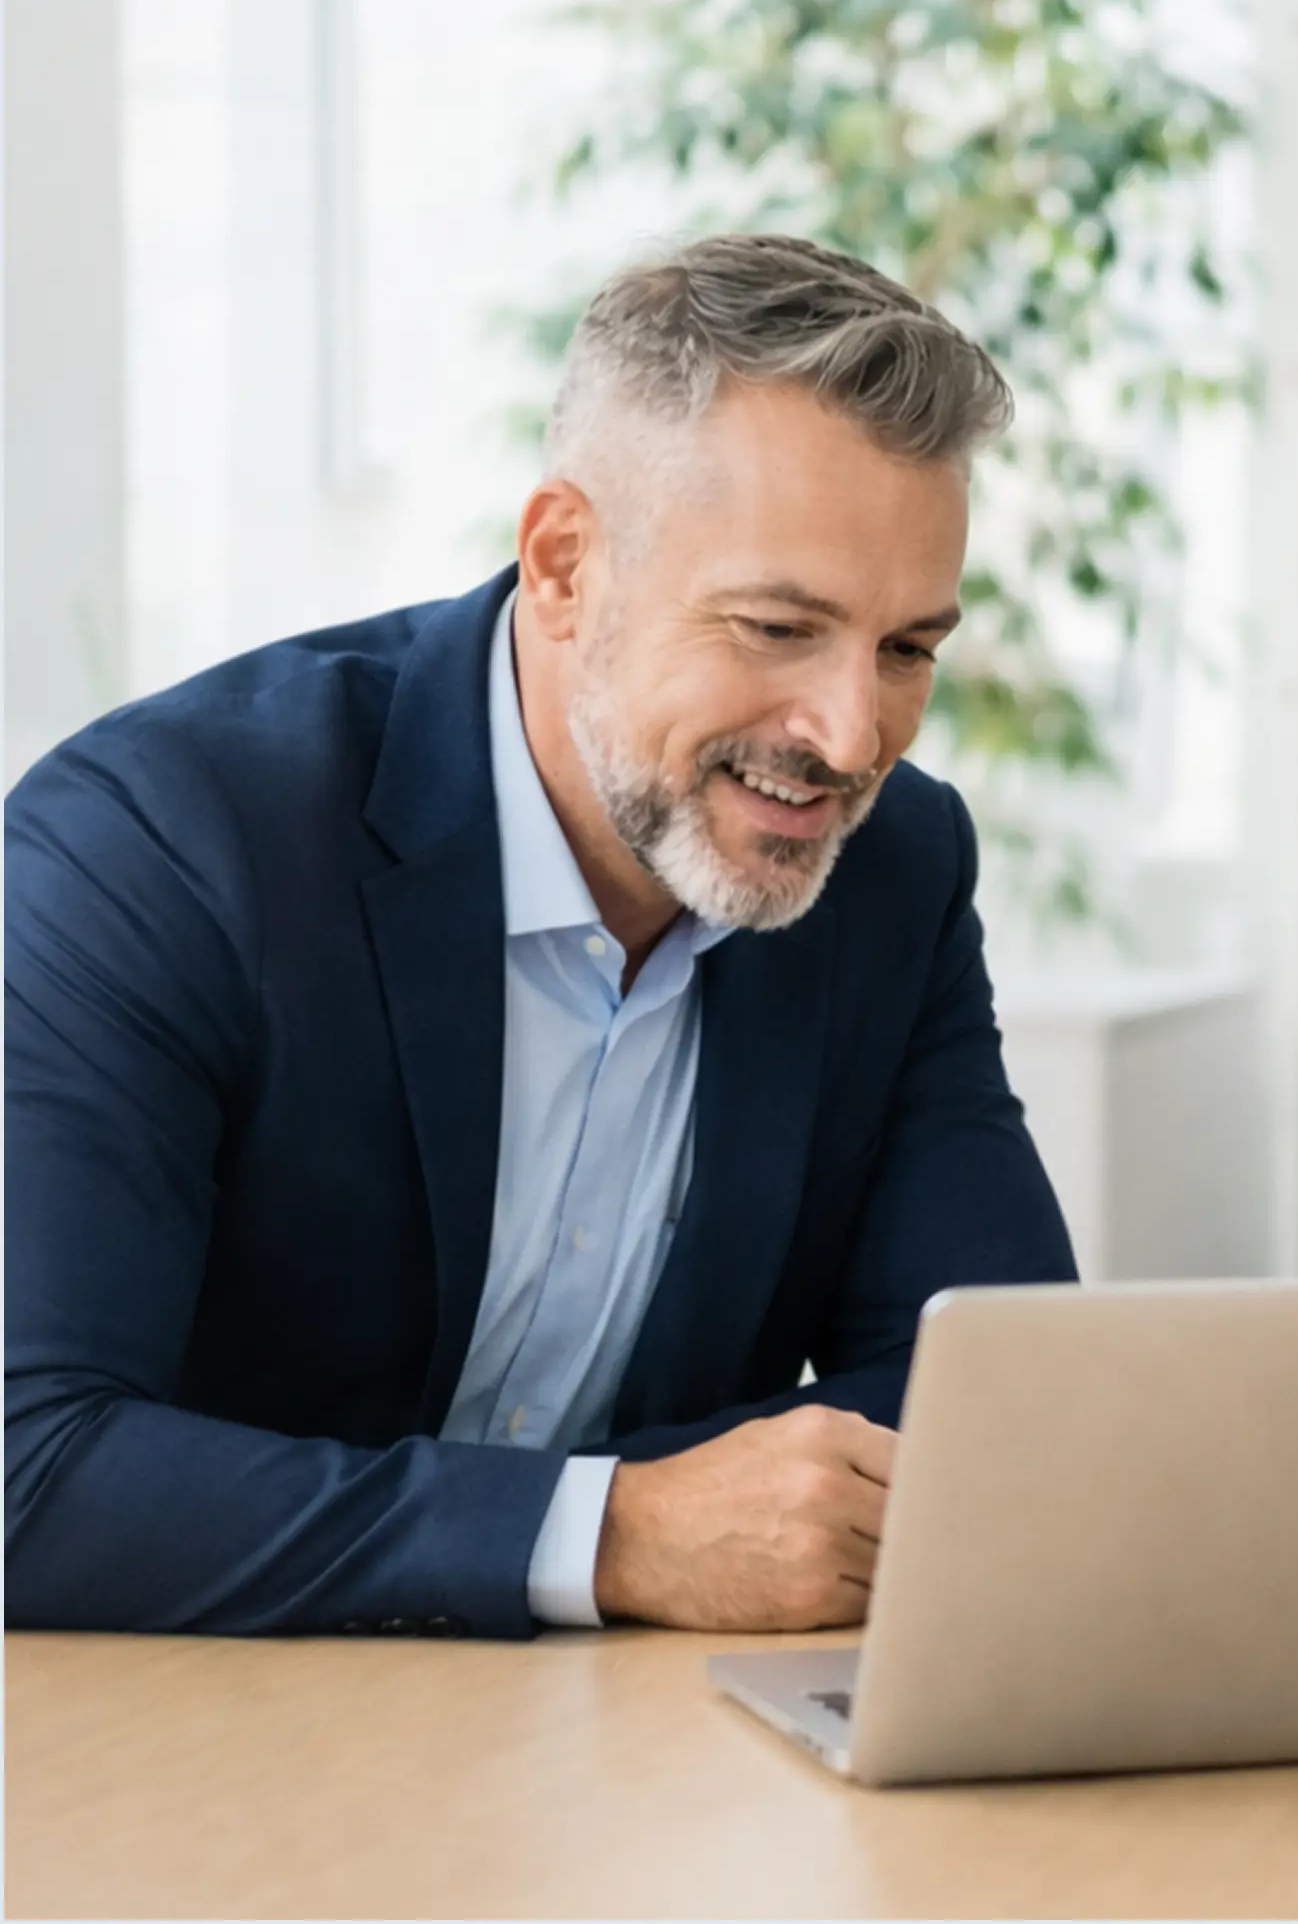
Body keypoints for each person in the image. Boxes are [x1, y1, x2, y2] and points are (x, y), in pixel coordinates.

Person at [6, 235, 1077, 1639]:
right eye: (775, 627)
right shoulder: (163, 841)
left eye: (907, 650)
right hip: (194, 1765)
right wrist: (614, 1537)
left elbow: (1000, 1395)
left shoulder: (896, 869)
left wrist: (653, 1532)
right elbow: (31, 1468)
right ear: (565, 564)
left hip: (621, 1762)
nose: (849, 734)